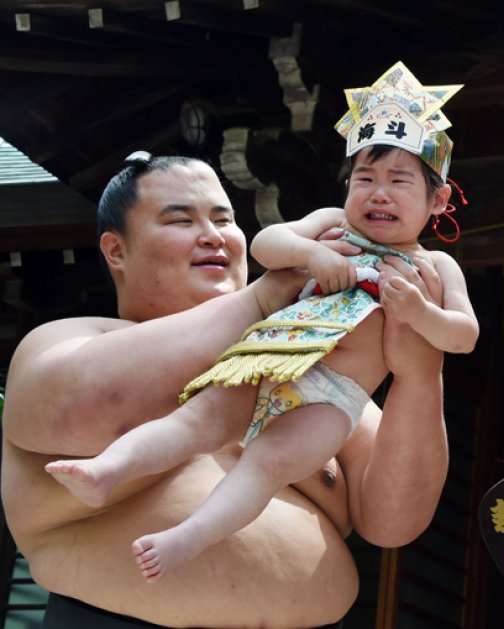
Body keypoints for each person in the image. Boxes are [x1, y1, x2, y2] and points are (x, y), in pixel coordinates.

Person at [2, 85, 453, 629]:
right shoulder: (69, 338)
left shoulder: (322, 373)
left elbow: (393, 521)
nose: (213, 236)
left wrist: (421, 374)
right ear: (116, 250)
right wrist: (263, 296)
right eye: (180, 220)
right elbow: (82, 406)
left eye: (224, 218)